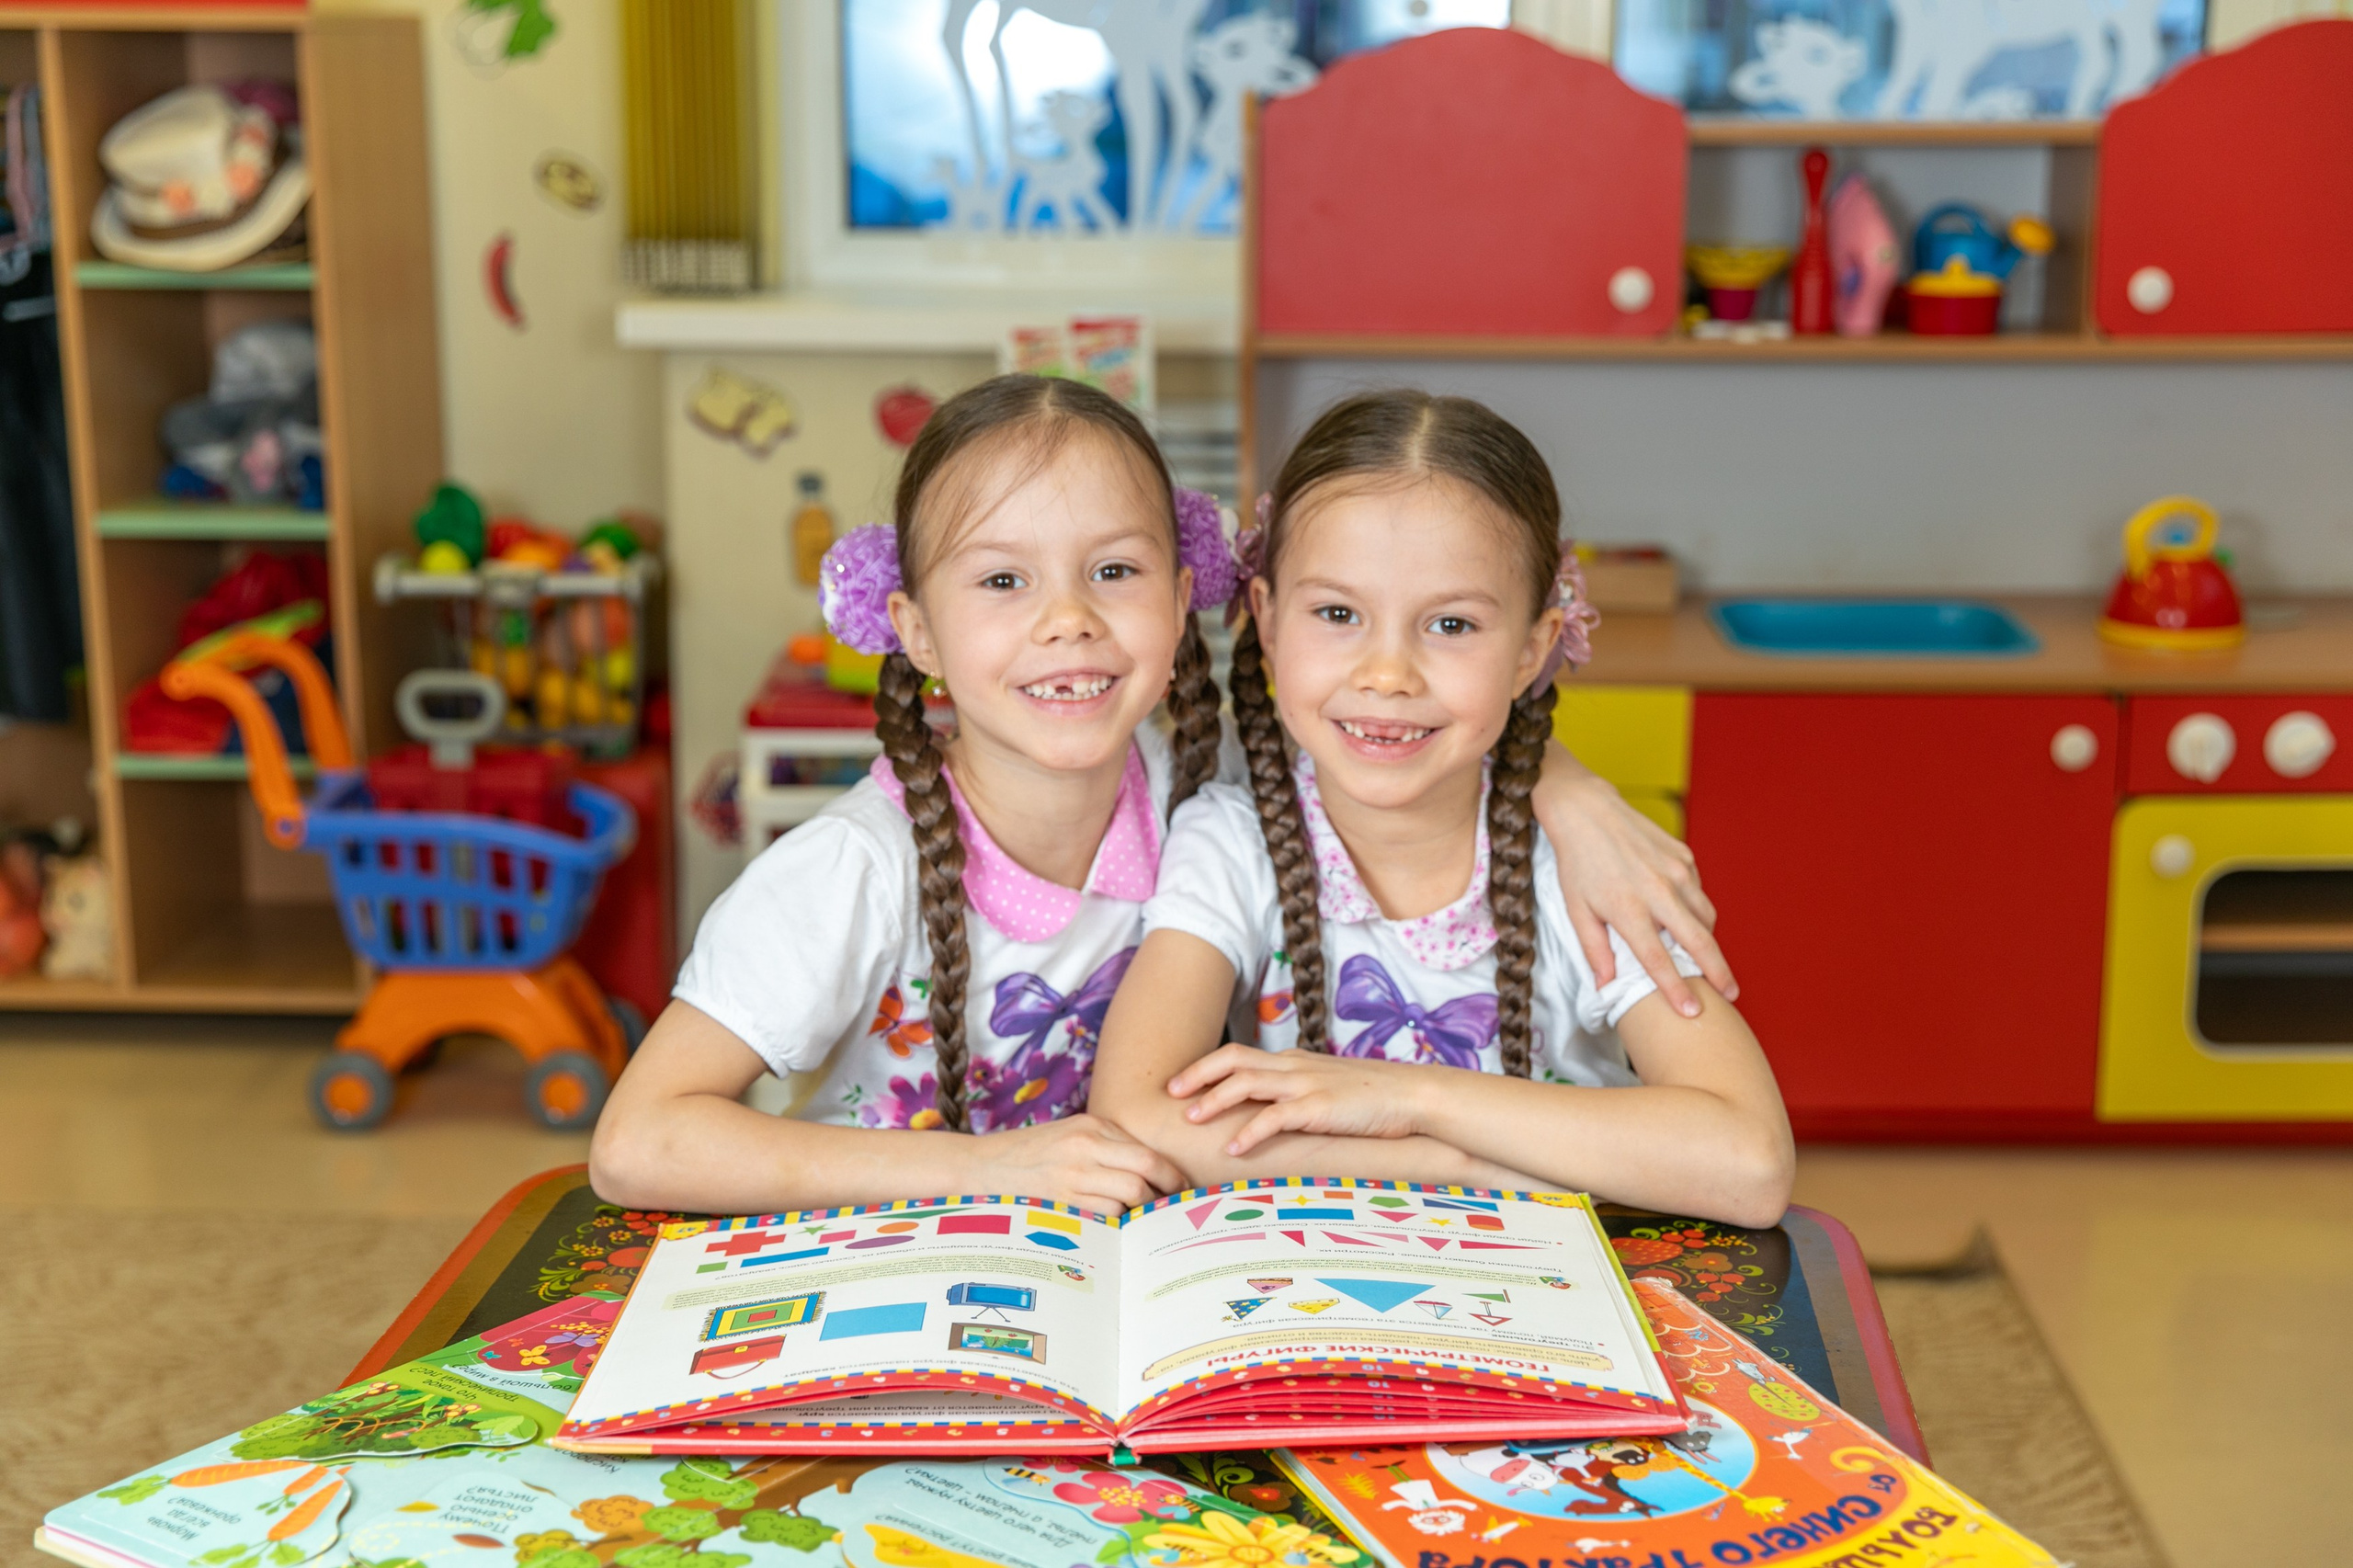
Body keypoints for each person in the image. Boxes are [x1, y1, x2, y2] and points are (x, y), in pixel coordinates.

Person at [591, 374, 1733, 1218]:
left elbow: (1402, 737)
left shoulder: (1204, 783)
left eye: (1114, 571)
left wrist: (1563, 794)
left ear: (1191, 598)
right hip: (909, 1263)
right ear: (916, 629)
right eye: (1002, 578)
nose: (1068, 619)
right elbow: (641, 1141)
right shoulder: (851, 869)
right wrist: (984, 1166)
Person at [1092, 391, 1792, 1228]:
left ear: (1534, 648)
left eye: (1452, 623)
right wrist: (1453, 1164)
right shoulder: (1231, 843)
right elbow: (1135, 1119)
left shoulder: (1589, 871)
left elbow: (1748, 1163)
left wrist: (1410, 1096)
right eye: (1339, 614)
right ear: (1268, 622)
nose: (1389, 673)